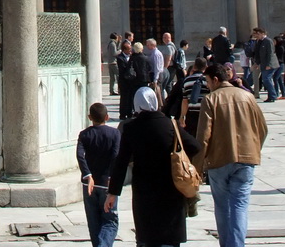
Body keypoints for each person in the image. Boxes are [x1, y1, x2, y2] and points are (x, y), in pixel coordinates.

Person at [105, 86, 200, 247]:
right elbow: (195, 146)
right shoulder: (171, 124)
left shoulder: (131, 128)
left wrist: (113, 193)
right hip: (171, 188)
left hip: (145, 191)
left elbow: (121, 163)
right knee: (170, 238)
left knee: (148, 238)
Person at [194, 62, 268, 247]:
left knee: (222, 205)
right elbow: (263, 129)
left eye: (208, 82)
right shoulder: (247, 96)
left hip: (219, 160)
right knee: (240, 205)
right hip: (246, 159)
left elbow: (203, 137)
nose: (207, 85)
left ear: (216, 80)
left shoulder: (210, 100)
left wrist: (197, 166)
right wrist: (253, 149)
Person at [76, 102, 120, 247]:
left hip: (89, 183)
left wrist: (87, 175)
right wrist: (111, 177)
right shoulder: (114, 134)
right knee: (110, 220)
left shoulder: (84, 135)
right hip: (107, 183)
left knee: (93, 221)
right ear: (107, 117)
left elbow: (80, 156)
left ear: (90, 117)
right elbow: (115, 156)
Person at [180, 56, 209, 137]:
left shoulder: (187, 80)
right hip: (205, 112)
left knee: (192, 137)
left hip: (191, 114)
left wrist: (182, 116)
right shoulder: (207, 79)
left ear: (194, 67)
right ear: (206, 67)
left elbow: (185, 100)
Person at [251, 27, 278, 102]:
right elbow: (259, 54)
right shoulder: (259, 41)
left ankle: (273, 95)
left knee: (266, 79)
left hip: (269, 64)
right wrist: (257, 63)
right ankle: (271, 96)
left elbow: (270, 53)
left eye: (257, 34)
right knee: (266, 79)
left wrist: (269, 64)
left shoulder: (268, 41)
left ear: (262, 33)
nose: (256, 35)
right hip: (263, 64)